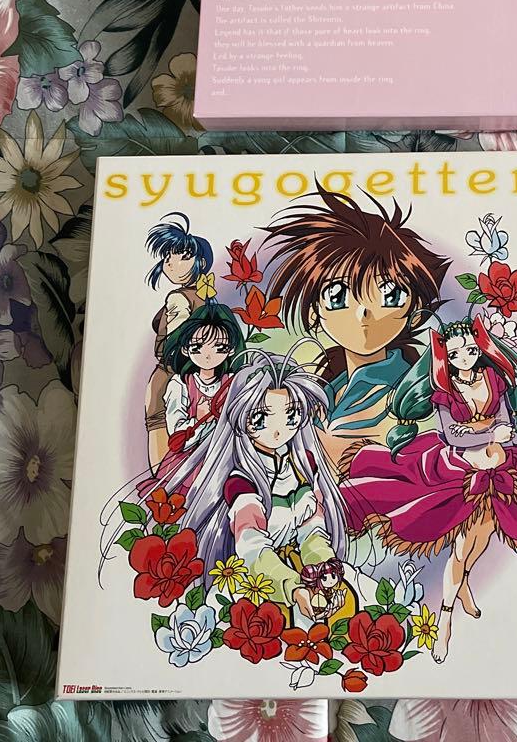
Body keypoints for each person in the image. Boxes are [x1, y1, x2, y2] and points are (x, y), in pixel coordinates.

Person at [341, 315, 517, 663]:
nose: (464, 358)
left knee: (483, 535)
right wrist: (488, 434)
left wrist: (498, 435)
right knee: (461, 546)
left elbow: (505, 421)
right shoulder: (445, 393)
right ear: (446, 357)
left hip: (500, 462)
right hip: (461, 466)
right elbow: (451, 435)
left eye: (470, 350)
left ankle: (464, 587)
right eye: (455, 354)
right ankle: (445, 618)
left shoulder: (493, 378)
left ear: (480, 348)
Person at [262, 188, 449, 471]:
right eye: (337, 295)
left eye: (389, 296)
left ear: (415, 310)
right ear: (314, 311)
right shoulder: (323, 387)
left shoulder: (414, 391)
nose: (363, 311)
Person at [179, 349, 355, 625]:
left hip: (299, 567)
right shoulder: (241, 482)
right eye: (261, 419)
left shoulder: (303, 467)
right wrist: (292, 589)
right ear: (241, 419)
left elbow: (312, 530)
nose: (278, 431)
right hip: (259, 577)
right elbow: (253, 550)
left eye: (291, 416)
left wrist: (324, 571)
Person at [136, 301, 245, 497]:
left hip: (224, 457)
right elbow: (177, 435)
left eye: (219, 347)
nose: (208, 354)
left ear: (231, 349)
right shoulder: (180, 385)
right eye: (198, 347)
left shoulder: (232, 382)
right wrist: (199, 420)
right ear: (185, 349)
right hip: (188, 463)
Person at [144, 213, 214, 471]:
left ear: (200, 262)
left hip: (171, 371)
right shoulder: (206, 296)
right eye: (167, 257)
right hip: (199, 370)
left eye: (183, 256)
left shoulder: (178, 298)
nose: (171, 263)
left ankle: (160, 478)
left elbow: (174, 341)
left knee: (158, 421)